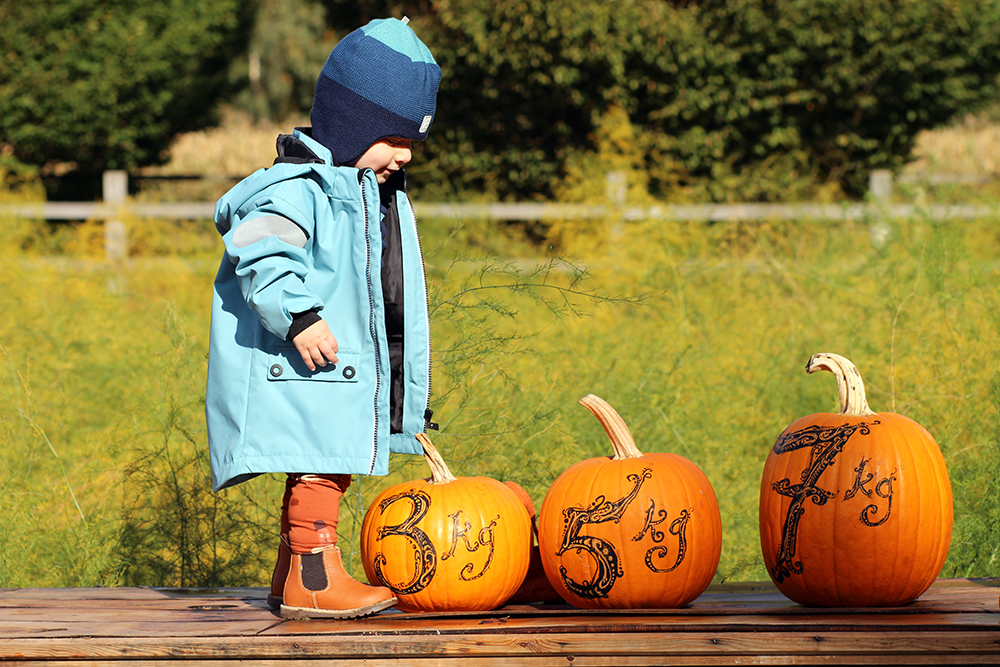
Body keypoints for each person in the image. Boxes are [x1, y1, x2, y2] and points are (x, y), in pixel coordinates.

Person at [205, 17, 441, 620]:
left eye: (413, 140)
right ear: (352, 122)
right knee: (323, 462)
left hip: (340, 367)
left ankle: (293, 573)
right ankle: (313, 574)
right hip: (307, 358)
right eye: (392, 136)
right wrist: (300, 315)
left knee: (329, 456)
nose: (404, 153)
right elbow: (259, 249)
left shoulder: (367, 191)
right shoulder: (295, 190)